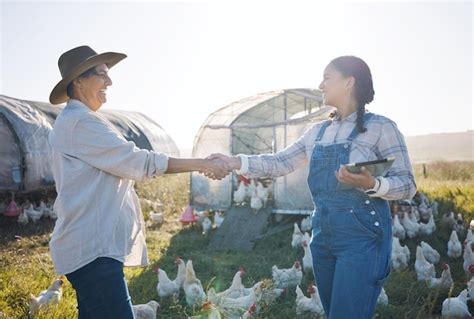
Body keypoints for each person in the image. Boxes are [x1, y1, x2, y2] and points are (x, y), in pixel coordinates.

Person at [209, 56, 416, 318]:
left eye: (327, 78)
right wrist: (234, 161)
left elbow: (408, 184)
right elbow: (279, 162)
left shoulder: (381, 127)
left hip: (362, 238)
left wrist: (373, 183)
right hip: (323, 237)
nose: (320, 85)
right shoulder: (317, 132)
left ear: (349, 82)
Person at [48, 45, 229, 318]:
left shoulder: (76, 121)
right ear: (78, 81)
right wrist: (202, 163)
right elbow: (139, 162)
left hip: (89, 247)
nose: (110, 81)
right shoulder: (81, 123)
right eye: (101, 74)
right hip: (93, 252)